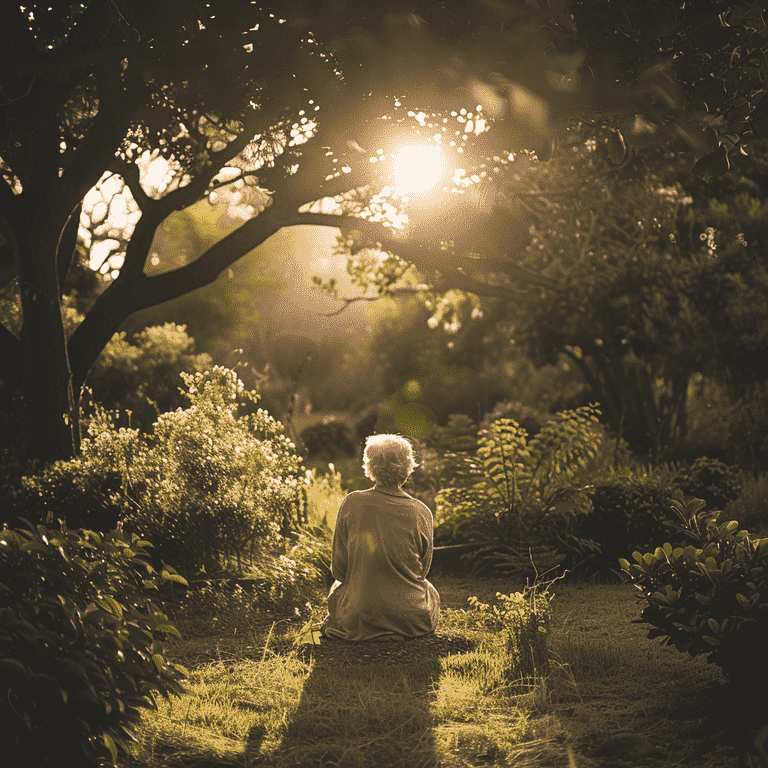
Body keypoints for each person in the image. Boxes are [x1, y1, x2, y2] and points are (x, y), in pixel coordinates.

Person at [321, 434, 440, 641]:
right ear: (408, 468)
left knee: (339, 588)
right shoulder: (422, 512)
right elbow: (422, 571)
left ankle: (373, 628)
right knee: (430, 591)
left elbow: (339, 571)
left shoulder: (352, 502)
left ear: (370, 466)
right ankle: (395, 626)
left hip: (361, 616)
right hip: (412, 619)